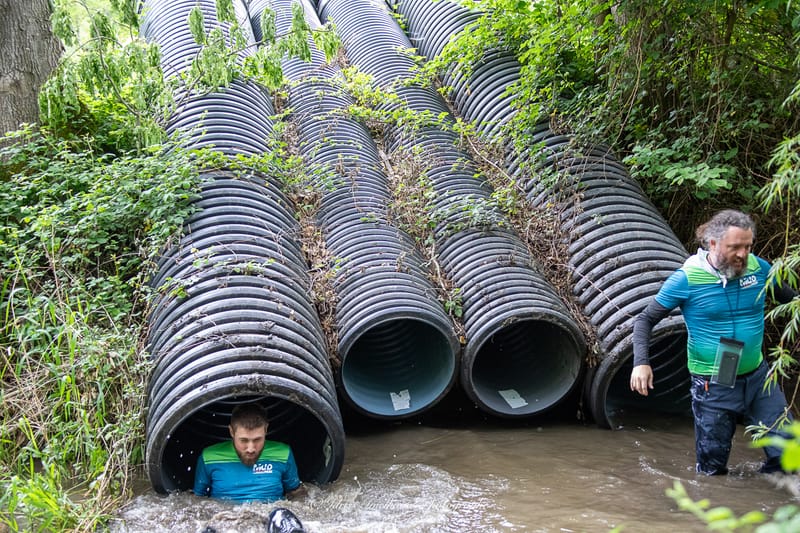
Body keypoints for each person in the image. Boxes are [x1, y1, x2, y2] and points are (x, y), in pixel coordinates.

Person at [630, 209, 796, 475]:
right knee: (712, 469)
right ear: (713, 244)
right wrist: (641, 363)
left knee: (789, 454)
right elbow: (644, 321)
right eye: (735, 247)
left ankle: (775, 500)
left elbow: (793, 300)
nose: (743, 254)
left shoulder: (760, 268)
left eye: (748, 246)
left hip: (759, 378)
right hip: (713, 384)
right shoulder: (687, 279)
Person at [194, 403, 307, 502]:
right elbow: (197, 500)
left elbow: (296, 494)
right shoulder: (209, 457)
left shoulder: (283, 454)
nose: (251, 449)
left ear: (266, 430)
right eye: (244, 440)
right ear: (231, 432)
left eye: (257, 440)